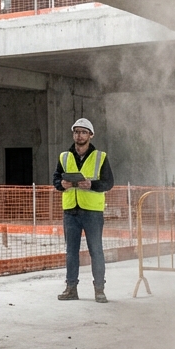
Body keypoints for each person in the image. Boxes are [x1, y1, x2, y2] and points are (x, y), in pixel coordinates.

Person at [53, 118, 114, 303]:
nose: (79, 135)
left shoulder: (100, 157)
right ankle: (71, 288)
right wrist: (61, 184)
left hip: (92, 212)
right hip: (71, 211)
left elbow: (108, 183)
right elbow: (56, 179)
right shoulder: (64, 156)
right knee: (71, 252)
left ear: (90, 135)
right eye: (77, 131)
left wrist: (92, 185)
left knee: (96, 250)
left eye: (83, 132)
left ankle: (99, 290)